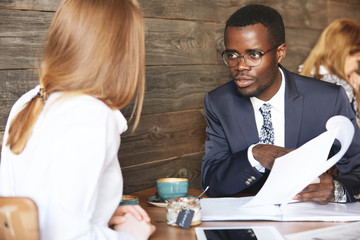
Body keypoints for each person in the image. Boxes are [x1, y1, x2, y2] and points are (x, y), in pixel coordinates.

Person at [0, 0, 155, 239]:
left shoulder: (29, 102)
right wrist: (132, 236)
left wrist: (100, 213)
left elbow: (43, 205)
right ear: (122, 52)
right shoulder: (90, 114)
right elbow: (68, 236)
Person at [201, 4, 360, 204]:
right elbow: (210, 183)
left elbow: (358, 167)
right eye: (232, 55)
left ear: (280, 53)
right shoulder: (219, 103)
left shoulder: (327, 99)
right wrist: (255, 154)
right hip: (246, 223)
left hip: (309, 225)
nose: (240, 66)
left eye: (253, 55)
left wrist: (337, 189)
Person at [300, 19, 360, 122]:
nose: (356, 67)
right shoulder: (340, 88)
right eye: (357, 61)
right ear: (344, 54)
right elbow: (355, 133)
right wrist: (356, 92)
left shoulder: (303, 77)